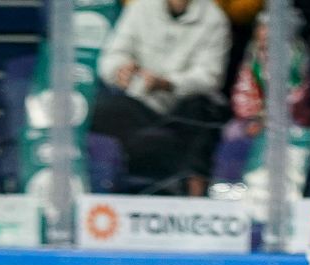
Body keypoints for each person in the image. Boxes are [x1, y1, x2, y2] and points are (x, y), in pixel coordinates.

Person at [94, 0, 233, 195]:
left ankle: (197, 199)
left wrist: (167, 83)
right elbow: (111, 59)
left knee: (203, 110)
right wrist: (120, 71)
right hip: (140, 104)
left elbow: (211, 77)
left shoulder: (214, 18)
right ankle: (105, 192)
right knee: (104, 110)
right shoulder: (139, 8)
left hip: (185, 108)